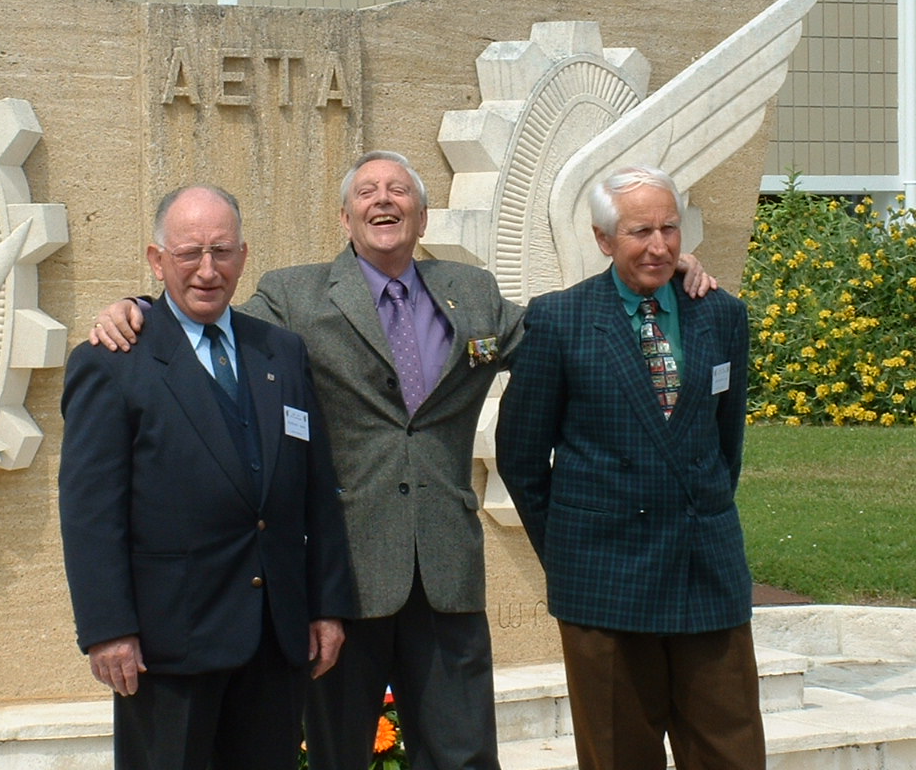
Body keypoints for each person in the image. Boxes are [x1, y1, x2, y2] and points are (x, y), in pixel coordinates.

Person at [91, 152, 716, 770]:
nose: (383, 199)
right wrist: (138, 307)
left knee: (465, 754)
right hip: (345, 580)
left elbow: (558, 337)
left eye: (398, 190)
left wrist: (651, 266)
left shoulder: (472, 291)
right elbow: (208, 321)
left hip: (447, 569)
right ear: (344, 217)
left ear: (421, 217)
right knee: (337, 754)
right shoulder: (294, 295)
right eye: (366, 191)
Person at [59, 185, 353, 770]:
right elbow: (91, 510)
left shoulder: (282, 352)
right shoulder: (113, 360)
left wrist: (325, 606)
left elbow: (317, 491)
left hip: (273, 638)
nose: (207, 270)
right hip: (169, 645)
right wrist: (108, 630)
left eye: (222, 252)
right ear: (156, 258)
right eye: (189, 253)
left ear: (244, 256)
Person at [495, 165, 764, 770]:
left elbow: (726, 448)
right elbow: (521, 456)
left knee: (732, 750)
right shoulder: (559, 320)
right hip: (603, 577)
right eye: (641, 230)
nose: (661, 245)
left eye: (670, 228)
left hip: (706, 571)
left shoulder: (719, 313)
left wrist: (698, 511)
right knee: (619, 754)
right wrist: (569, 549)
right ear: (602, 239)